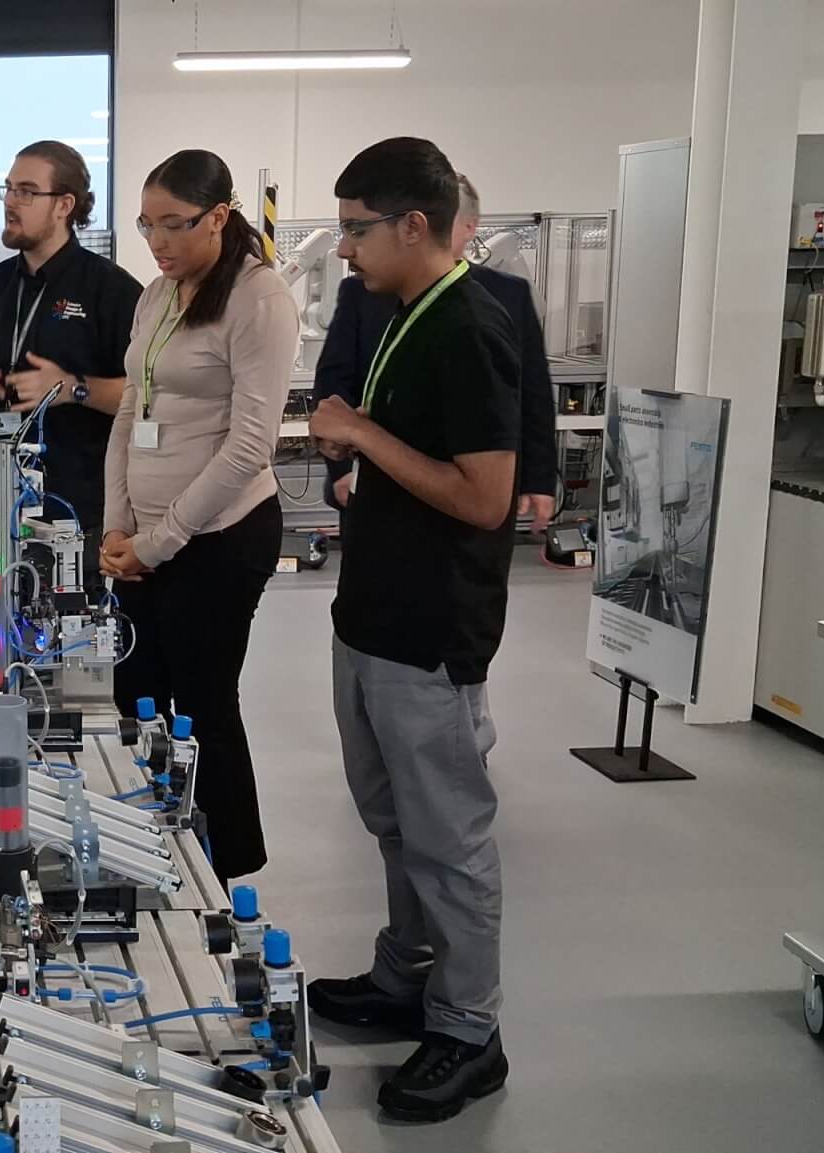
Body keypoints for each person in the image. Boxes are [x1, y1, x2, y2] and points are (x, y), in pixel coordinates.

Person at [305, 137, 520, 1123]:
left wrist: (360, 435)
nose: (344, 249)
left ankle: (469, 1029)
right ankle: (406, 974)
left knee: (447, 838)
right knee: (392, 822)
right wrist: (365, 458)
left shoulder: (467, 324)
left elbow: (483, 498)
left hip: (431, 628)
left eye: (355, 229)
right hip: (370, 617)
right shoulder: (396, 312)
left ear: (413, 226)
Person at [101, 150, 298, 882]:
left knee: (203, 700)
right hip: (145, 539)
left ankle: (224, 870)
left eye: (175, 225)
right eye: (147, 225)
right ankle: (148, 845)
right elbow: (130, 407)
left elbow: (250, 443)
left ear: (219, 216)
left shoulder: (258, 298)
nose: (158, 241)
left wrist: (161, 540)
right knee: (137, 692)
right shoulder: (159, 292)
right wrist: (117, 525)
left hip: (219, 538)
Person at [0, 140, 142, 586]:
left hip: (76, 518)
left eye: (27, 191)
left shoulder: (113, 292)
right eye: (8, 189)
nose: (10, 202)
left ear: (64, 204)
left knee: (75, 647)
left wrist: (73, 388)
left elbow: (148, 397)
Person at [315, 171, 556, 529]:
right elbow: (338, 378)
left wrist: (538, 477)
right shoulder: (376, 293)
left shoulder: (479, 317)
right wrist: (340, 455)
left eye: (358, 230)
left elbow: (532, 393)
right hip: (376, 505)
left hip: (442, 535)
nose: (344, 249)